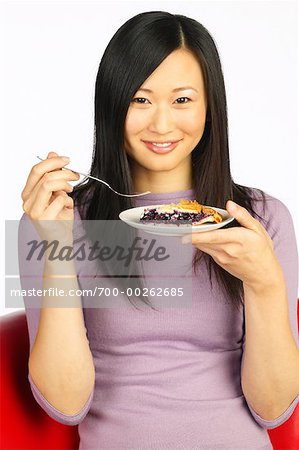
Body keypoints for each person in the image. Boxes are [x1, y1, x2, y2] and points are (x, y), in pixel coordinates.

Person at [18, 10, 299, 450]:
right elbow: (66, 404)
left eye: (183, 100)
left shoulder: (259, 220)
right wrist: (55, 246)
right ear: (113, 104)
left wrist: (263, 282)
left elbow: (274, 408)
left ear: (211, 105)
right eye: (140, 99)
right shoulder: (60, 217)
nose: (162, 125)